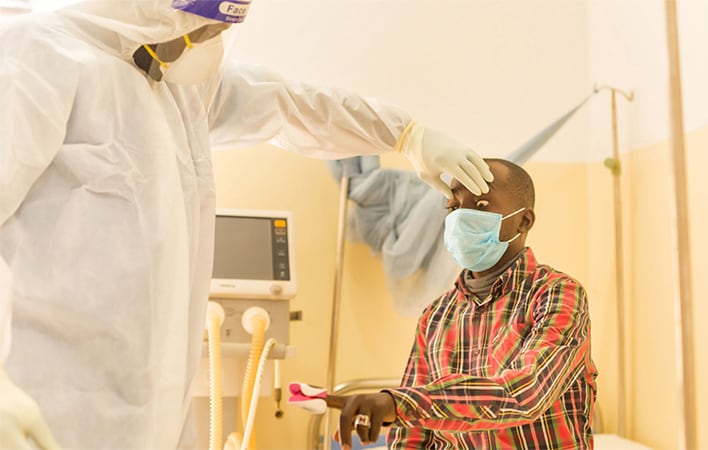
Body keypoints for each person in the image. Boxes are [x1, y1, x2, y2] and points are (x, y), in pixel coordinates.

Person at [0, 1, 495, 448]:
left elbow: (290, 104)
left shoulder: (173, 88)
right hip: (43, 413)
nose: (210, 40)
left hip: (155, 421)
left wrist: (405, 134)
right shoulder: (36, 58)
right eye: (203, 26)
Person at [327, 159, 597, 449]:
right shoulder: (437, 315)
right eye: (453, 208)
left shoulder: (557, 294)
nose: (461, 217)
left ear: (524, 220)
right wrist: (398, 409)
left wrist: (398, 403)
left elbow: (525, 393)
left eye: (481, 206)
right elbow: (413, 435)